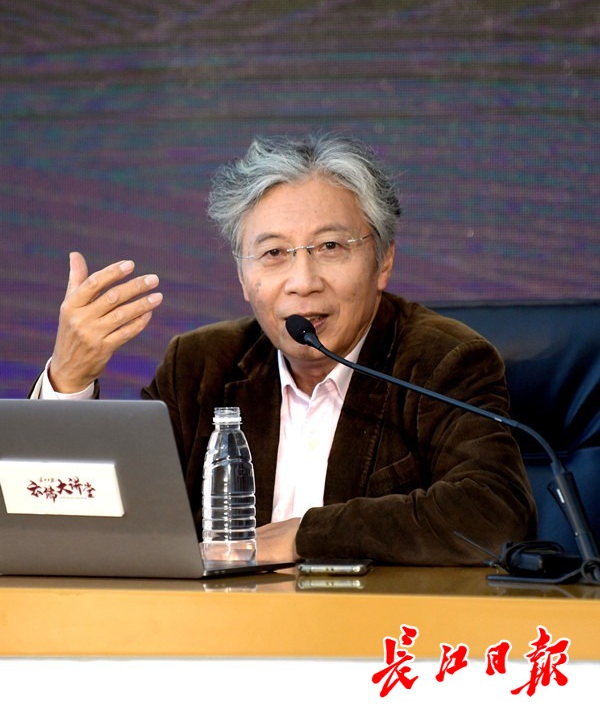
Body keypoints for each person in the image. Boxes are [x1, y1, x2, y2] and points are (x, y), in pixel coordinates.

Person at [32, 133, 537, 565]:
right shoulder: (200, 366)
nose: (303, 281)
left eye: (330, 247)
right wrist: (69, 383)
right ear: (243, 277)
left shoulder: (440, 361)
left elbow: (495, 514)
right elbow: (105, 519)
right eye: (274, 253)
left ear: (383, 261)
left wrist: (304, 536)